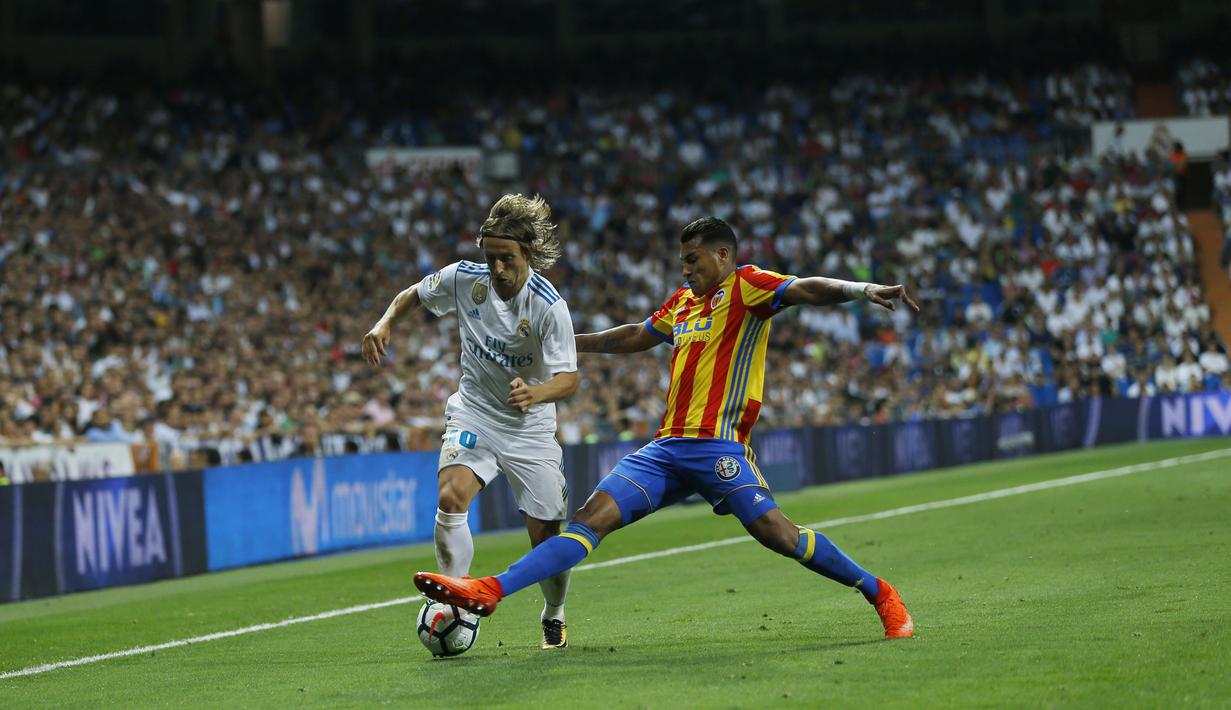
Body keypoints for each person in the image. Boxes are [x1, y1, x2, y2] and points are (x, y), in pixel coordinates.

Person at [415, 216, 918, 639]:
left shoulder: (748, 286)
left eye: (693, 259)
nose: (686, 268)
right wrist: (568, 343)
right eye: (683, 260)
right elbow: (636, 335)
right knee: (591, 520)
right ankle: (491, 589)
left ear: (723, 255)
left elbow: (805, 288)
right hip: (666, 449)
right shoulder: (682, 301)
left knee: (778, 535)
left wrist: (862, 289)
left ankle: (879, 592)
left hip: (718, 448)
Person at [363, 194, 580, 649]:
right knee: (451, 494)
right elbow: (412, 296)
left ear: (528, 255)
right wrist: (385, 323)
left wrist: (535, 392)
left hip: (529, 426)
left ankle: (554, 613)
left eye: (507, 259)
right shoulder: (464, 278)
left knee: (546, 540)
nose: (497, 268)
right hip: (475, 411)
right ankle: (457, 599)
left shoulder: (548, 305)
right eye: (491, 257)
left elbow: (569, 379)